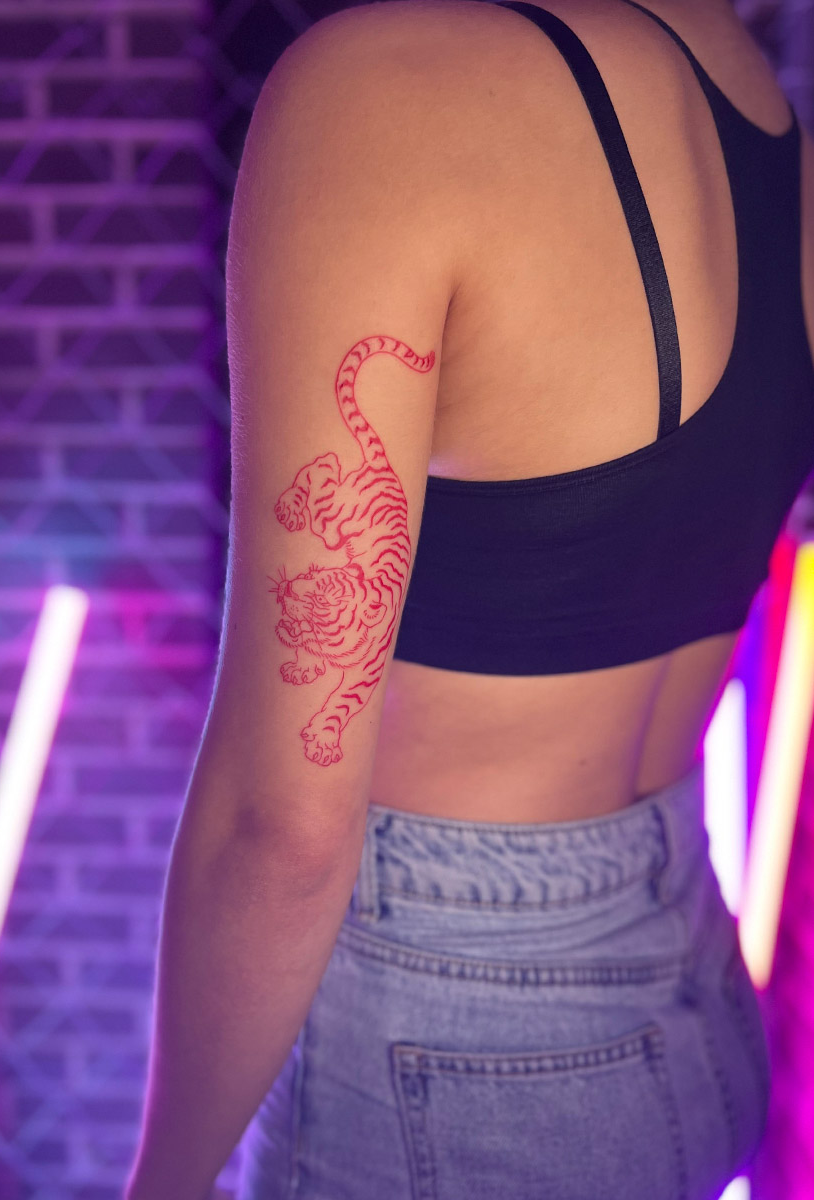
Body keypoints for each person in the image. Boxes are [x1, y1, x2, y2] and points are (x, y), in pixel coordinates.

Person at [125, 1, 814, 1197]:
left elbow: (283, 828)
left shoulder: (388, 93)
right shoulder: (746, 83)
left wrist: (164, 1178)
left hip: (440, 1046)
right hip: (696, 986)